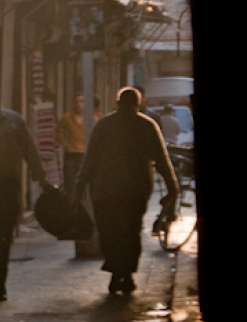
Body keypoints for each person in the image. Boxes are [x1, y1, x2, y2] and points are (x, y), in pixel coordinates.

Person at [73, 86, 178, 295]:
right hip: (135, 191)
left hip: (105, 191)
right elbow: (162, 160)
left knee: (109, 232)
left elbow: (90, 160)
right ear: (139, 105)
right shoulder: (146, 125)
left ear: (117, 104)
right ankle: (126, 273)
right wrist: (172, 188)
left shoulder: (104, 125)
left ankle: (116, 271)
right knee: (131, 232)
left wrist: (79, 188)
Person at [0, 80, 48, 302]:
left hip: (6, 185)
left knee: (2, 238)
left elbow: (29, 149)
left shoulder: (13, 120)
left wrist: (40, 176)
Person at [55, 92, 102, 194]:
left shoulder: (92, 119)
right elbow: (59, 130)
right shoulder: (67, 118)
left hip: (85, 155)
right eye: (77, 101)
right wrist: (63, 142)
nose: (79, 104)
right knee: (70, 183)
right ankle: (71, 202)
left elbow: (98, 135)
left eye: (82, 101)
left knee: (84, 184)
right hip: (70, 155)